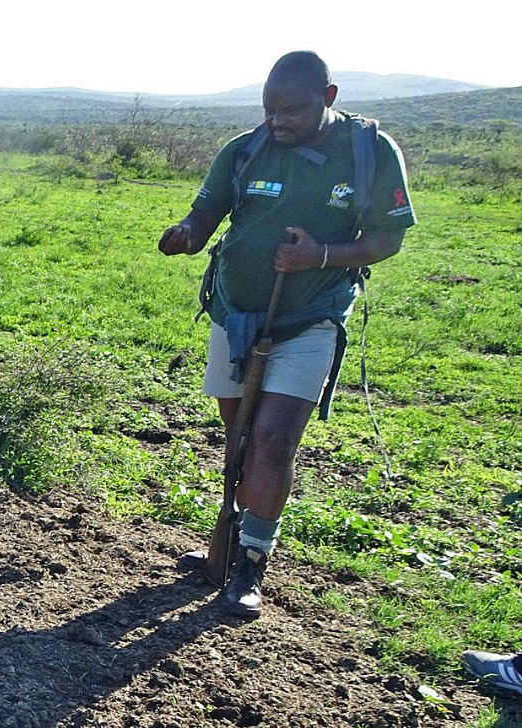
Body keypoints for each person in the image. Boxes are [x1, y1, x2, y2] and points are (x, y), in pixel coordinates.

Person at [159, 51, 416, 618]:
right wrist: (187, 235)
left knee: (274, 440)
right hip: (234, 315)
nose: (277, 122)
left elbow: (387, 240)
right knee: (240, 439)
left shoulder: (370, 152)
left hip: (310, 318)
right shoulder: (245, 149)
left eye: (291, 111)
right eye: (269, 110)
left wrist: (319, 256)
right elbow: (206, 212)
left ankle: (251, 562)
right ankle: (226, 542)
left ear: (329, 97)